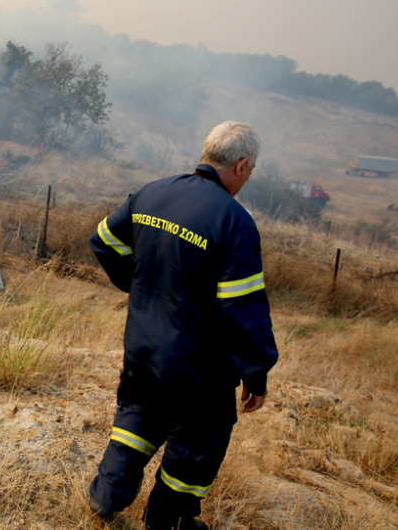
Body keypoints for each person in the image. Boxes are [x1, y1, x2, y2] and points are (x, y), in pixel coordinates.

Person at [87, 121, 278, 529]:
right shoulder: (234, 220)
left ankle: (106, 497)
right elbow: (243, 308)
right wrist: (255, 372)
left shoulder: (153, 191)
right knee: (199, 440)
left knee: (137, 416)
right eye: (252, 169)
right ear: (242, 166)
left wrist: (140, 283)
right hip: (199, 366)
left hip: (142, 347)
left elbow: (103, 240)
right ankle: (169, 519)